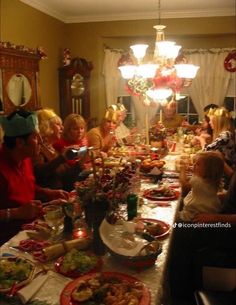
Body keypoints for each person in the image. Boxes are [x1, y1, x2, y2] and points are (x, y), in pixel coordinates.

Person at [0, 109, 69, 244]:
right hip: (8, 242)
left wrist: (49, 193)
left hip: (30, 230)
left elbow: (25, 186)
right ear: (20, 142)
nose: (41, 142)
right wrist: (16, 213)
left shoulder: (25, 159)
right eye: (35, 137)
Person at [34, 108, 84, 191]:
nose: (62, 127)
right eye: (58, 124)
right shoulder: (38, 151)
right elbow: (40, 174)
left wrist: (81, 162)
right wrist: (62, 158)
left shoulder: (52, 148)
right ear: (46, 127)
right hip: (50, 200)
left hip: (63, 195)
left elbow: (67, 179)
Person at [178, 151, 225, 222]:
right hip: (208, 211)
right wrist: (193, 169)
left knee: (173, 216)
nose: (194, 165)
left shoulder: (198, 181)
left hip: (192, 215)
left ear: (208, 170)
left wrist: (182, 170)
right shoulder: (214, 181)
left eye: (197, 164)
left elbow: (184, 185)